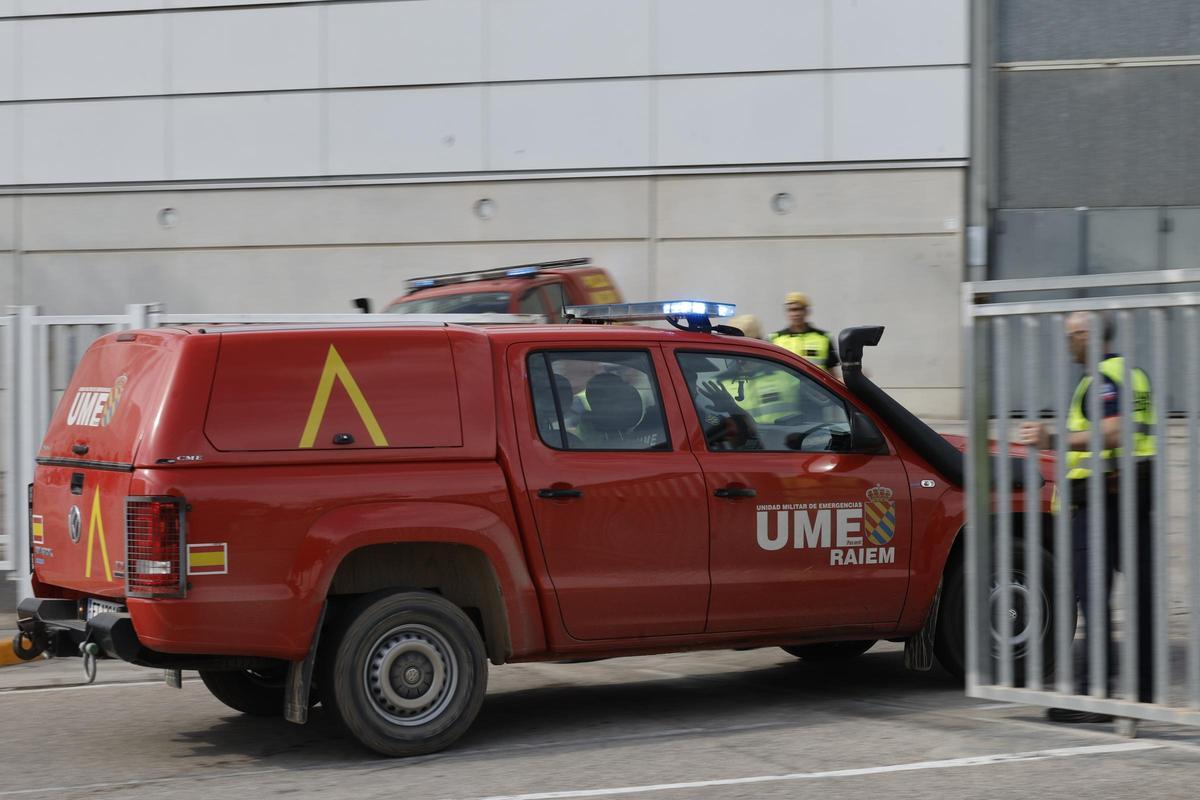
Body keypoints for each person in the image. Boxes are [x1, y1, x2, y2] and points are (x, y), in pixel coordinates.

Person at [1017, 311, 1156, 723]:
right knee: (1140, 597)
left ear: (1088, 336)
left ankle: (1092, 694)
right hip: (1134, 493)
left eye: (1072, 336)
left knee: (1093, 599)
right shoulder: (1135, 374)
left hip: (1100, 498)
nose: (1068, 344)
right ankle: (1143, 691)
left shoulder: (1103, 380)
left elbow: (1113, 431)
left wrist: (1050, 437)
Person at [770, 292, 840, 378]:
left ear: (807, 311)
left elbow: (833, 373)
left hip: (815, 390)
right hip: (787, 390)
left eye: (799, 309)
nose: (795, 314)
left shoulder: (823, 338)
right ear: (786, 313)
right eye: (791, 310)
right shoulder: (775, 339)